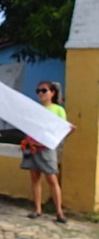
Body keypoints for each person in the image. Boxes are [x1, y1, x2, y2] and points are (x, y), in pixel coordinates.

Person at [21, 81, 69, 224]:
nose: (41, 93)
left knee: (52, 179)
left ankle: (59, 211)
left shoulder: (58, 109)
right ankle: (37, 209)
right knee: (35, 178)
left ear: (52, 93)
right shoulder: (35, 109)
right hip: (32, 146)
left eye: (44, 90)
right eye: (38, 91)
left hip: (46, 147)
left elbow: (61, 129)